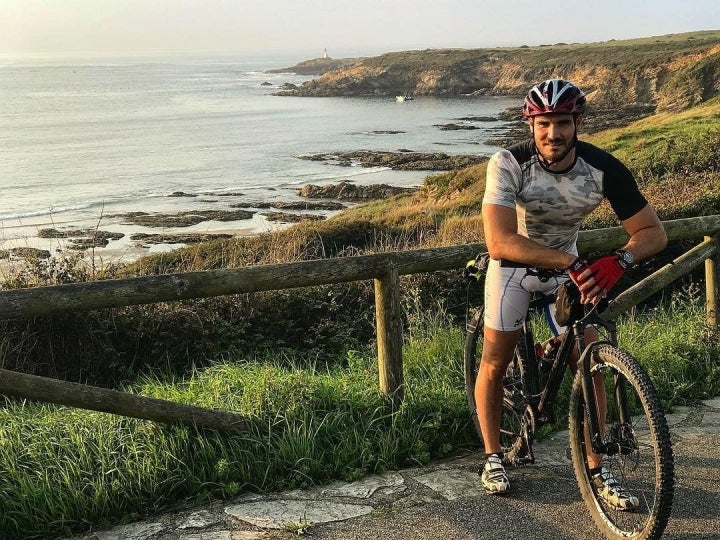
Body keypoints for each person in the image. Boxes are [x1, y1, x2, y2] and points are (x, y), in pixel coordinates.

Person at [476, 78, 667, 508]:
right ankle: (491, 456)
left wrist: (620, 260)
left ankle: (599, 468)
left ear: (577, 121)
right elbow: (499, 242)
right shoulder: (508, 163)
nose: (553, 133)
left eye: (563, 122)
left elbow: (653, 233)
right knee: (495, 359)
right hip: (513, 269)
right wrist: (570, 262)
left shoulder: (603, 169)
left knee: (590, 358)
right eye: (544, 122)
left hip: (568, 267)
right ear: (531, 124)